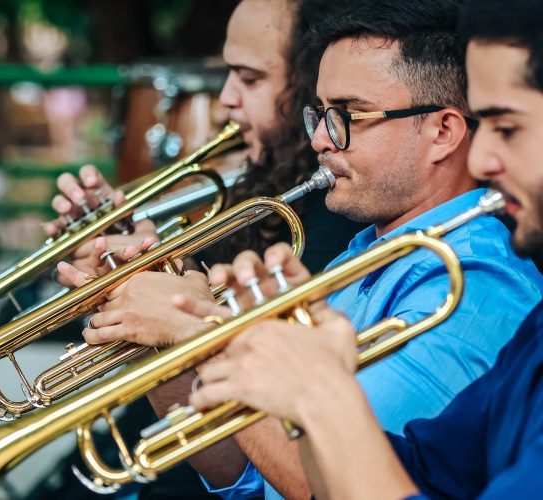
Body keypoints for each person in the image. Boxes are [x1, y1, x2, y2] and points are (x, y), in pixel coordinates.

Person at [62, 1, 543, 498]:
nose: (318, 139)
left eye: (348, 115)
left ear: (442, 132)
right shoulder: (368, 250)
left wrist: (201, 335)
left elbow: (330, 486)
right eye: (320, 114)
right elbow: (248, 476)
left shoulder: (470, 282)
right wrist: (158, 345)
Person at [30, 1, 364, 498]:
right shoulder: (254, 184)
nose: (226, 97)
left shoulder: (337, 217)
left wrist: (171, 297)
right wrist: (128, 255)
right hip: (168, 448)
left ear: (310, 86)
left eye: (249, 79)